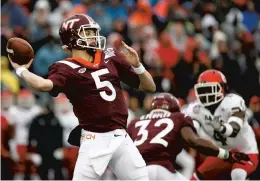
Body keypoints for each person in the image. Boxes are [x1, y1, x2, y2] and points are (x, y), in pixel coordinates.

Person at [7, 14, 155, 180]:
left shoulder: (110, 56)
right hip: (95, 139)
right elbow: (43, 85)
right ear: (72, 38)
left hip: (121, 137)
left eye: (93, 32)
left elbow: (149, 86)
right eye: (88, 33)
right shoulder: (65, 68)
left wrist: (138, 66)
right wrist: (21, 70)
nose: (93, 36)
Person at [127, 92, 250, 180]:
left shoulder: (135, 122)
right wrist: (226, 154)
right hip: (163, 170)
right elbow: (195, 141)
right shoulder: (179, 117)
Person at [183, 69, 259, 180]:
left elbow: (233, 130)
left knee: (238, 174)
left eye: (209, 90)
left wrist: (221, 127)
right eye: (202, 91)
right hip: (223, 153)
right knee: (195, 178)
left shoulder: (233, 101)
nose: (206, 94)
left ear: (222, 88)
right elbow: (192, 131)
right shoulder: (196, 109)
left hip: (245, 151)